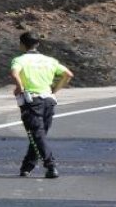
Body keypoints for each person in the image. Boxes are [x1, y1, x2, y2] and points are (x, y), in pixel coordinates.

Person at [10, 31, 74, 178]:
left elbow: (14, 73)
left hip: (32, 101)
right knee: (40, 135)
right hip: (49, 100)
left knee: (37, 135)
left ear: (21, 44)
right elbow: (68, 74)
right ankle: (27, 166)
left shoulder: (20, 60)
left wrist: (19, 87)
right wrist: (55, 89)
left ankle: (50, 165)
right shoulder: (49, 60)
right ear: (37, 44)